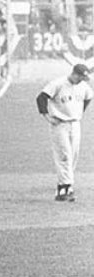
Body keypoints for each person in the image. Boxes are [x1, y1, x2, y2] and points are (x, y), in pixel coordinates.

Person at [36, 63, 94, 202]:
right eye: (80, 77)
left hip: (75, 123)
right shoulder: (58, 84)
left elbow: (88, 97)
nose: (81, 80)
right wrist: (47, 116)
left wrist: (79, 112)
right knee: (64, 155)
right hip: (60, 124)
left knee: (73, 155)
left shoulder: (83, 87)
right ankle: (65, 188)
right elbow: (41, 98)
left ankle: (65, 185)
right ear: (74, 74)